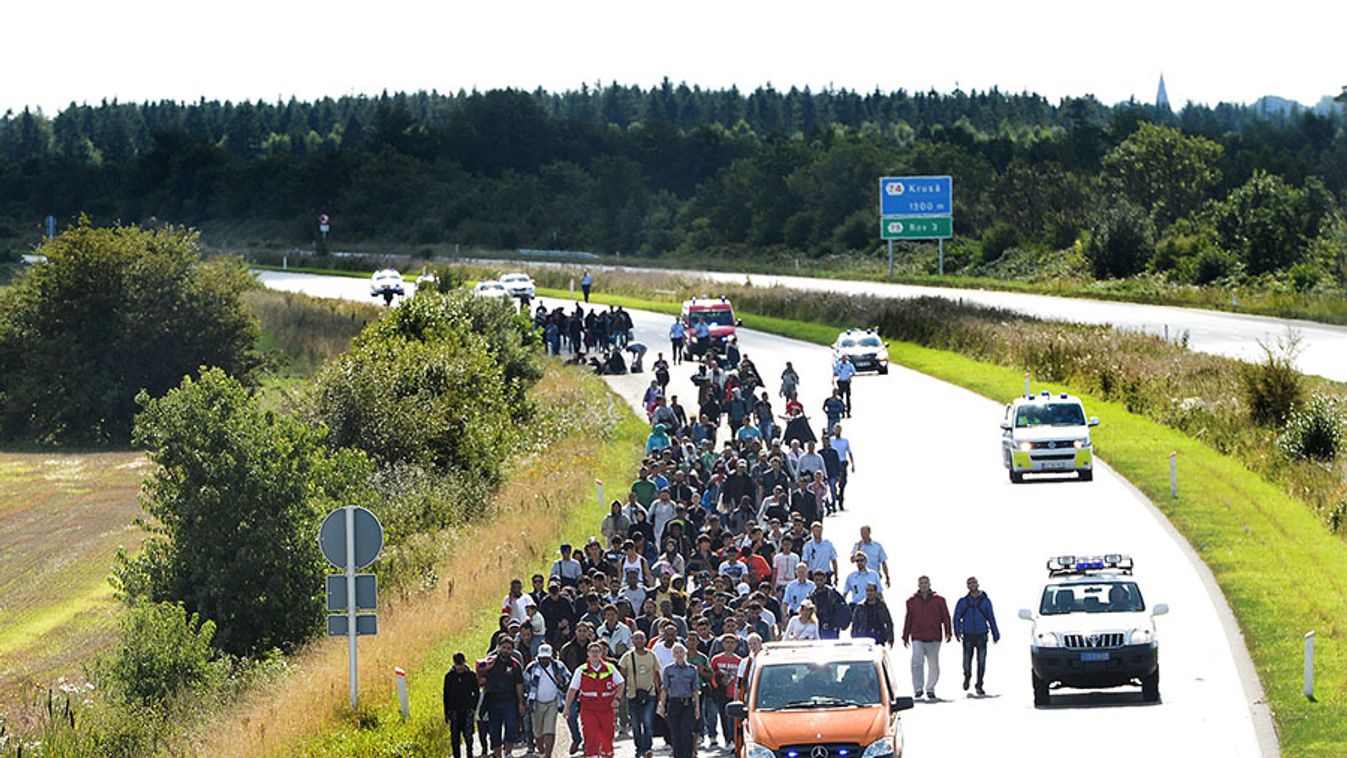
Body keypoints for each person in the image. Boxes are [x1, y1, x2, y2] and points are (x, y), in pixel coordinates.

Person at [566, 642, 625, 758]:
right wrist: (567, 707)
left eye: (597, 651)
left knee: (608, 738)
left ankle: (607, 754)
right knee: (591, 736)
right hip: (589, 709)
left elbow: (621, 683)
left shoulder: (609, 668)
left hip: (607, 708)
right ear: (588, 654)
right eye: (592, 651)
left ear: (601, 653)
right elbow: (572, 690)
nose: (594, 654)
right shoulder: (581, 670)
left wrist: (617, 698)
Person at [902, 576, 952, 701]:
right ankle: (918, 689)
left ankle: (930, 688)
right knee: (917, 663)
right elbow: (908, 618)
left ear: (929, 584)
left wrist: (948, 632)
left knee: (933, 664)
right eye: (921, 583)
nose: (924, 585)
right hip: (918, 636)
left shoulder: (939, 600)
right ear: (918, 585)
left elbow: (945, 616)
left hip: (934, 636)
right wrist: (905, 635)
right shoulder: (912, 601)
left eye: (926, 583)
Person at [952, 576, 1001, 697]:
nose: (972, 585)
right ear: (967, 586)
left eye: (974, 582)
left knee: (982, 661)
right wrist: (957, 631)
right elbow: (956, 617)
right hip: (968, 634)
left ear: (978, 584)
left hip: (982, 634)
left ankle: (979, 684)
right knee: (967, 661)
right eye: (970, 583)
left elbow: (991, 617)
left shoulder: (985, 601)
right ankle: (967, 676)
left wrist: (996, 633)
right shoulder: (963, 601)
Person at [481, 637, 526, 758]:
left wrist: (521, 702)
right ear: (498, 647)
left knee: (511, 728)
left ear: (512, 650)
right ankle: (497, 754)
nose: (506, 650)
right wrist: (484, 669)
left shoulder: (515, 665)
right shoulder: (490, 662)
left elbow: (519, 684)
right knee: (494, 730)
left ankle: (508, 752)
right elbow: (479, 676)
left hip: (510, 701)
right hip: (493, 701)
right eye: (504, 648)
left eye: (509, 648)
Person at [619, 630, 662, 758]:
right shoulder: (627, 656)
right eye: (636, 638)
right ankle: (639, 748)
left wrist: (659, 693)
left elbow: (656, 675)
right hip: (632, 695)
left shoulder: (652, 655)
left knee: (648, 722)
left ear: (645, 640)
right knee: (636, 725)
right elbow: (622, 676)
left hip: (650, 694)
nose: (639, 640)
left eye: (641, 638)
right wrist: (620, 694)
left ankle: (647, 748)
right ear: (632, 640)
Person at [525, 644, 572, 758]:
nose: (544, 660)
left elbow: (568, 678)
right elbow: (525, 683)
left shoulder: (558, 666)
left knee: (549, 729)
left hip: (552, 701)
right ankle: (541, 749)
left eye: (546, 657)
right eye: (542, 658)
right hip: (536, 702)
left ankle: (548, 755)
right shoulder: (532, 667)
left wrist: (562, 680)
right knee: (538, 732)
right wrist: (525, 699)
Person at [659, 643, 702, 758]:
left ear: (685, 653)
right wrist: (661, 705)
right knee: (676, 734)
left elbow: (695, 689)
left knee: (687, 733)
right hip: (674, 704)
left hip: (688, 704)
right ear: (673, 654)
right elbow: (665, 688)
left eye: (681, 652)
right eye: (676, 652)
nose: (679, 655)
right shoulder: (668, 670)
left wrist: (697, 708)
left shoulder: (692, 670)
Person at [445, 652, 481, 758]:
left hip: (468, 709)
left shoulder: (471, 675)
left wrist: (474, 707)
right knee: (455, 737)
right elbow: (446, 694)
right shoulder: (449, 676)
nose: (459, 667)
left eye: (461, 664)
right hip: (454, 710)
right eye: (457, 664)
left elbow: (476, 692)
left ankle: (469, 753)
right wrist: (446, 712)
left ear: (465, 662)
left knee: (468, 735)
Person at [811, 569, 851, 639]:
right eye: (817, 580)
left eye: (821, 580)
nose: (819, 582)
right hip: (818, 628)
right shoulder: (811, 596)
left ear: (825, 579)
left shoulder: (833, 594)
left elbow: (844, 608)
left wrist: (839, 624)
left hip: (832, 628)